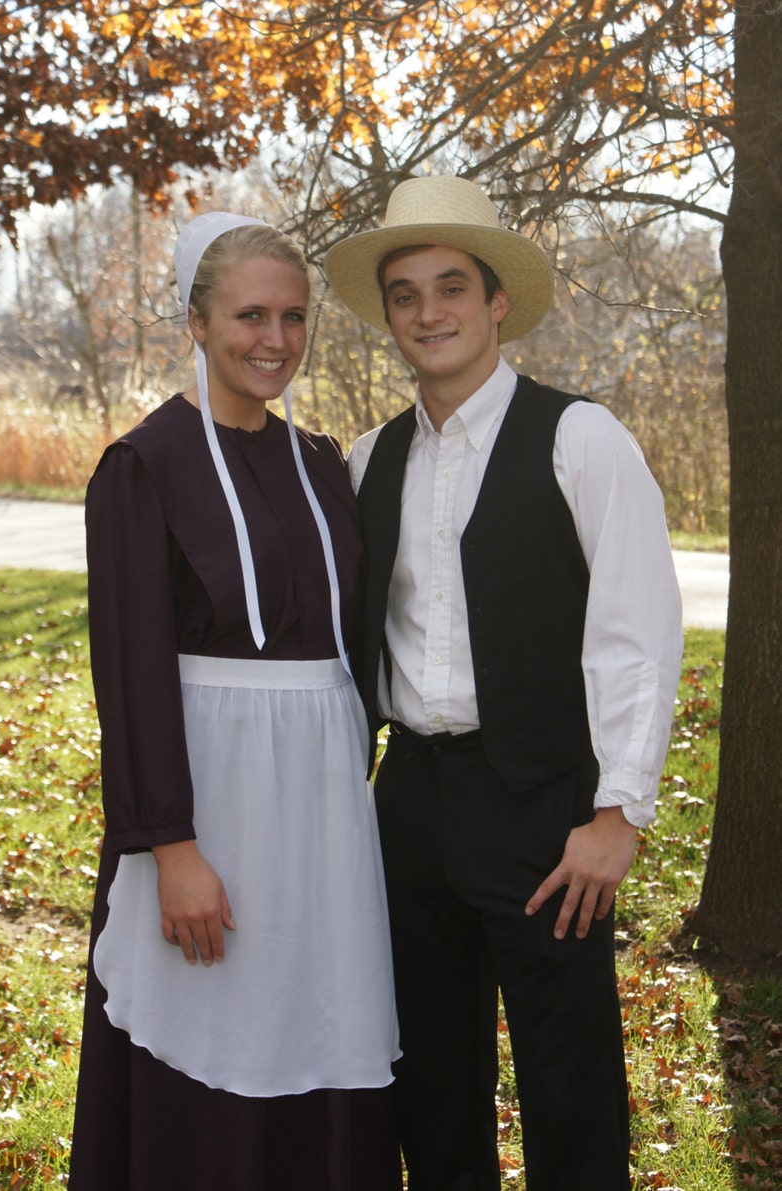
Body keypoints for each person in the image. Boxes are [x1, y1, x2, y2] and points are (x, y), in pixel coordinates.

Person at [323, 176, 684, 1191]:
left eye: (451, 287)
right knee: (430, 1083)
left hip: (540, 804)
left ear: (495, 303)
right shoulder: (367, 461)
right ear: (388, 316)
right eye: (405, 294)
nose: (428, 311)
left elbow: (636, 633)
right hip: (408, 803)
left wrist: (617, 814)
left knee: (569, 1083)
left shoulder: (580, 439)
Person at [69, 212, 402, 1191]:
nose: (275, 339)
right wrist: (170, 847)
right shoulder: (145, 466)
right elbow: (128, 672)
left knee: (318, 1016)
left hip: (322, 813)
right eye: (250, 315)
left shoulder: (322, 463)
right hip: (207, 807)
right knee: (210, 1024)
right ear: (198, 321)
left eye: (293, 317)